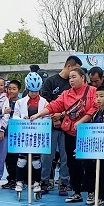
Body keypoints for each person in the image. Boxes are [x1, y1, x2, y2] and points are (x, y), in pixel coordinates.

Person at [30, 66, 96, 204]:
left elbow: (94, 109)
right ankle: (76, 192)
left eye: (74, 77)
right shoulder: (66, 93)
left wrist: (81, 121)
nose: (71, 80)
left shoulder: (93, 91)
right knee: (72, 163)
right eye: (70, 78)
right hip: (70, 132)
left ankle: (91, 193)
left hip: (88, 133)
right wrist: (38, 114)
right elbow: (54, 106)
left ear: (82, 78)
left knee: (89, 164)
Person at [40, 56, 81, 194]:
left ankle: (64, 182)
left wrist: (61, 115)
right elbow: (46, 102)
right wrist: (54, 117)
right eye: (75, 70)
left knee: (66, 155)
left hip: (67, 125)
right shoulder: (50, 81)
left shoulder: (73, 86)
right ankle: (45, 181)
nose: (74, 77)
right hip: (50, 125)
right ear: (69, 66)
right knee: (47, 155)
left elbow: (75, 104)